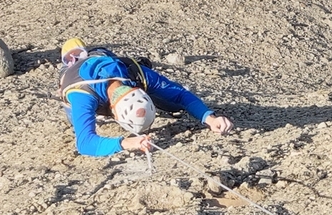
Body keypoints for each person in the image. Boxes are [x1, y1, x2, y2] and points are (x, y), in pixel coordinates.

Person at [57, 38, 234, 157]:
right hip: (76, 78)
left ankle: (88, 51)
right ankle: (73, 57)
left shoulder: (136, 73)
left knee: (172, 105)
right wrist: (126, 143)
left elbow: (180, 94)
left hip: (106, 61)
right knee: (75, 120)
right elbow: (85, 143)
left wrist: (209, 118)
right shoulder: (81, 96)